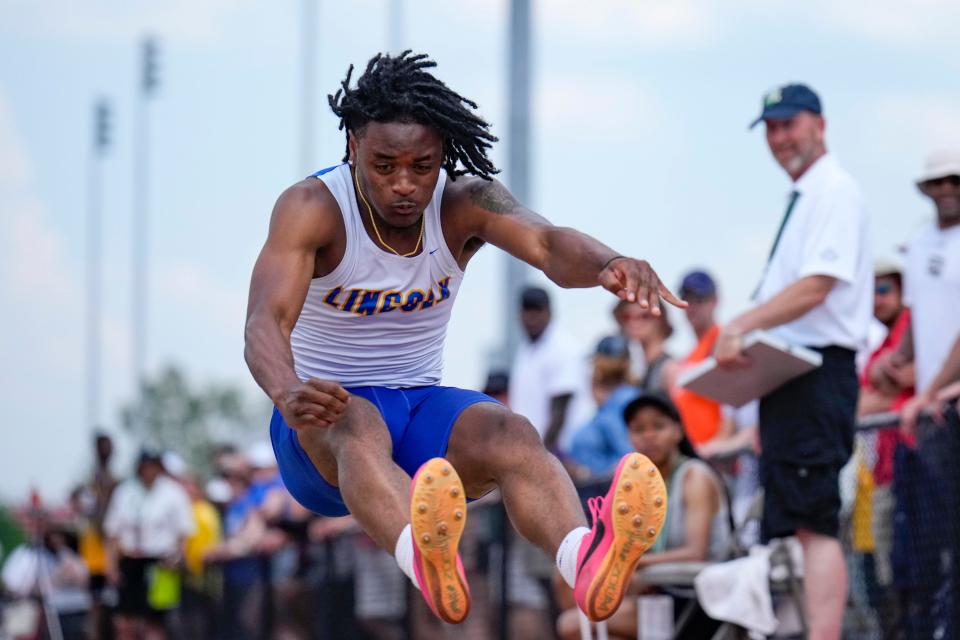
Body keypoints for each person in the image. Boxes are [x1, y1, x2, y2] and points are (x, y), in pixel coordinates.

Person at [244, 51, 683, 625]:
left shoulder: (463, 202)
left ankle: (586, 559)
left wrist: (610, 262)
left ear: (442, 157)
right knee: (355, 419)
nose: (405, 185)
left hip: (420, 406)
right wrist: (286, 391)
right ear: (352, 147)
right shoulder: (314, 208)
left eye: (422, 167)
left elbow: (548, 245)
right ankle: (422, 553)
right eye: (384, 165)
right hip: (321, 421)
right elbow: (263, 322)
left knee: (511, 431)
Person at [714, 83, 872, 640]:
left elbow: (816, 288)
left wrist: (740, 325)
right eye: (772, 128)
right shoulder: (810, 193)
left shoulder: (834, 189)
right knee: (794, 526)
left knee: (815, 523)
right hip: (791, 375)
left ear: (819, 124)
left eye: (789, 124)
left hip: (816, 372)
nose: (780, 138)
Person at [557, 392, 732, 640]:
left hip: (700, 602)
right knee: (566, 581)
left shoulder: (695, 477)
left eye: (658, 426)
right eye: (639, 429)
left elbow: (696, 553)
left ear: (678, 431)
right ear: (629, 437)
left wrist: (629, 561)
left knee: (571, 625)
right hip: (663, 593)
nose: (649, 435)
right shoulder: (641, 489)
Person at [889, 149, 960, 432]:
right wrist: (894, 359)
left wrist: (930, 391)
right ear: (927, 188)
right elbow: (916, 316)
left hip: (935, 397)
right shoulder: (918, 241)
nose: (947, 188)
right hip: (933, 406)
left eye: (955, 180)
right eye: (938, 181)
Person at [103, 449, 195, 640]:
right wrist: (111, 566)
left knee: (155, 622)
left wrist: (177, 558)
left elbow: (184, 532)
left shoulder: (173, 492)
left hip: (160, 562)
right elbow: (112, 532)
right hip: (130, 561)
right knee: (124, 621)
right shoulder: (125, 491)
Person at [509, 286, 584, 451]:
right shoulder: (526, 349)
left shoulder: (563, 347)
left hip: (559, 450)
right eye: (527, 312)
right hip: (534, 449)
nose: (532, 318)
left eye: (537, 311)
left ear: (550, 313)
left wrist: (543, 453)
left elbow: (560, 411)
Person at [567, 335, 639, 478]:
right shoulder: (610, 402)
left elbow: (630, 459)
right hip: (596, 493)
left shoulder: (623, 399)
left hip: (609, 493)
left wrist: (586, 474)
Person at [669, 269, 725, 445]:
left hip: (721, 456)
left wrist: (722, 443)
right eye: (686, 301)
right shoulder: (688, 357)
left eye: (699, 300)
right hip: (696, 453)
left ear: (714, 301)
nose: (692, 308)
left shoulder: (723, 343)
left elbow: (737, 406)